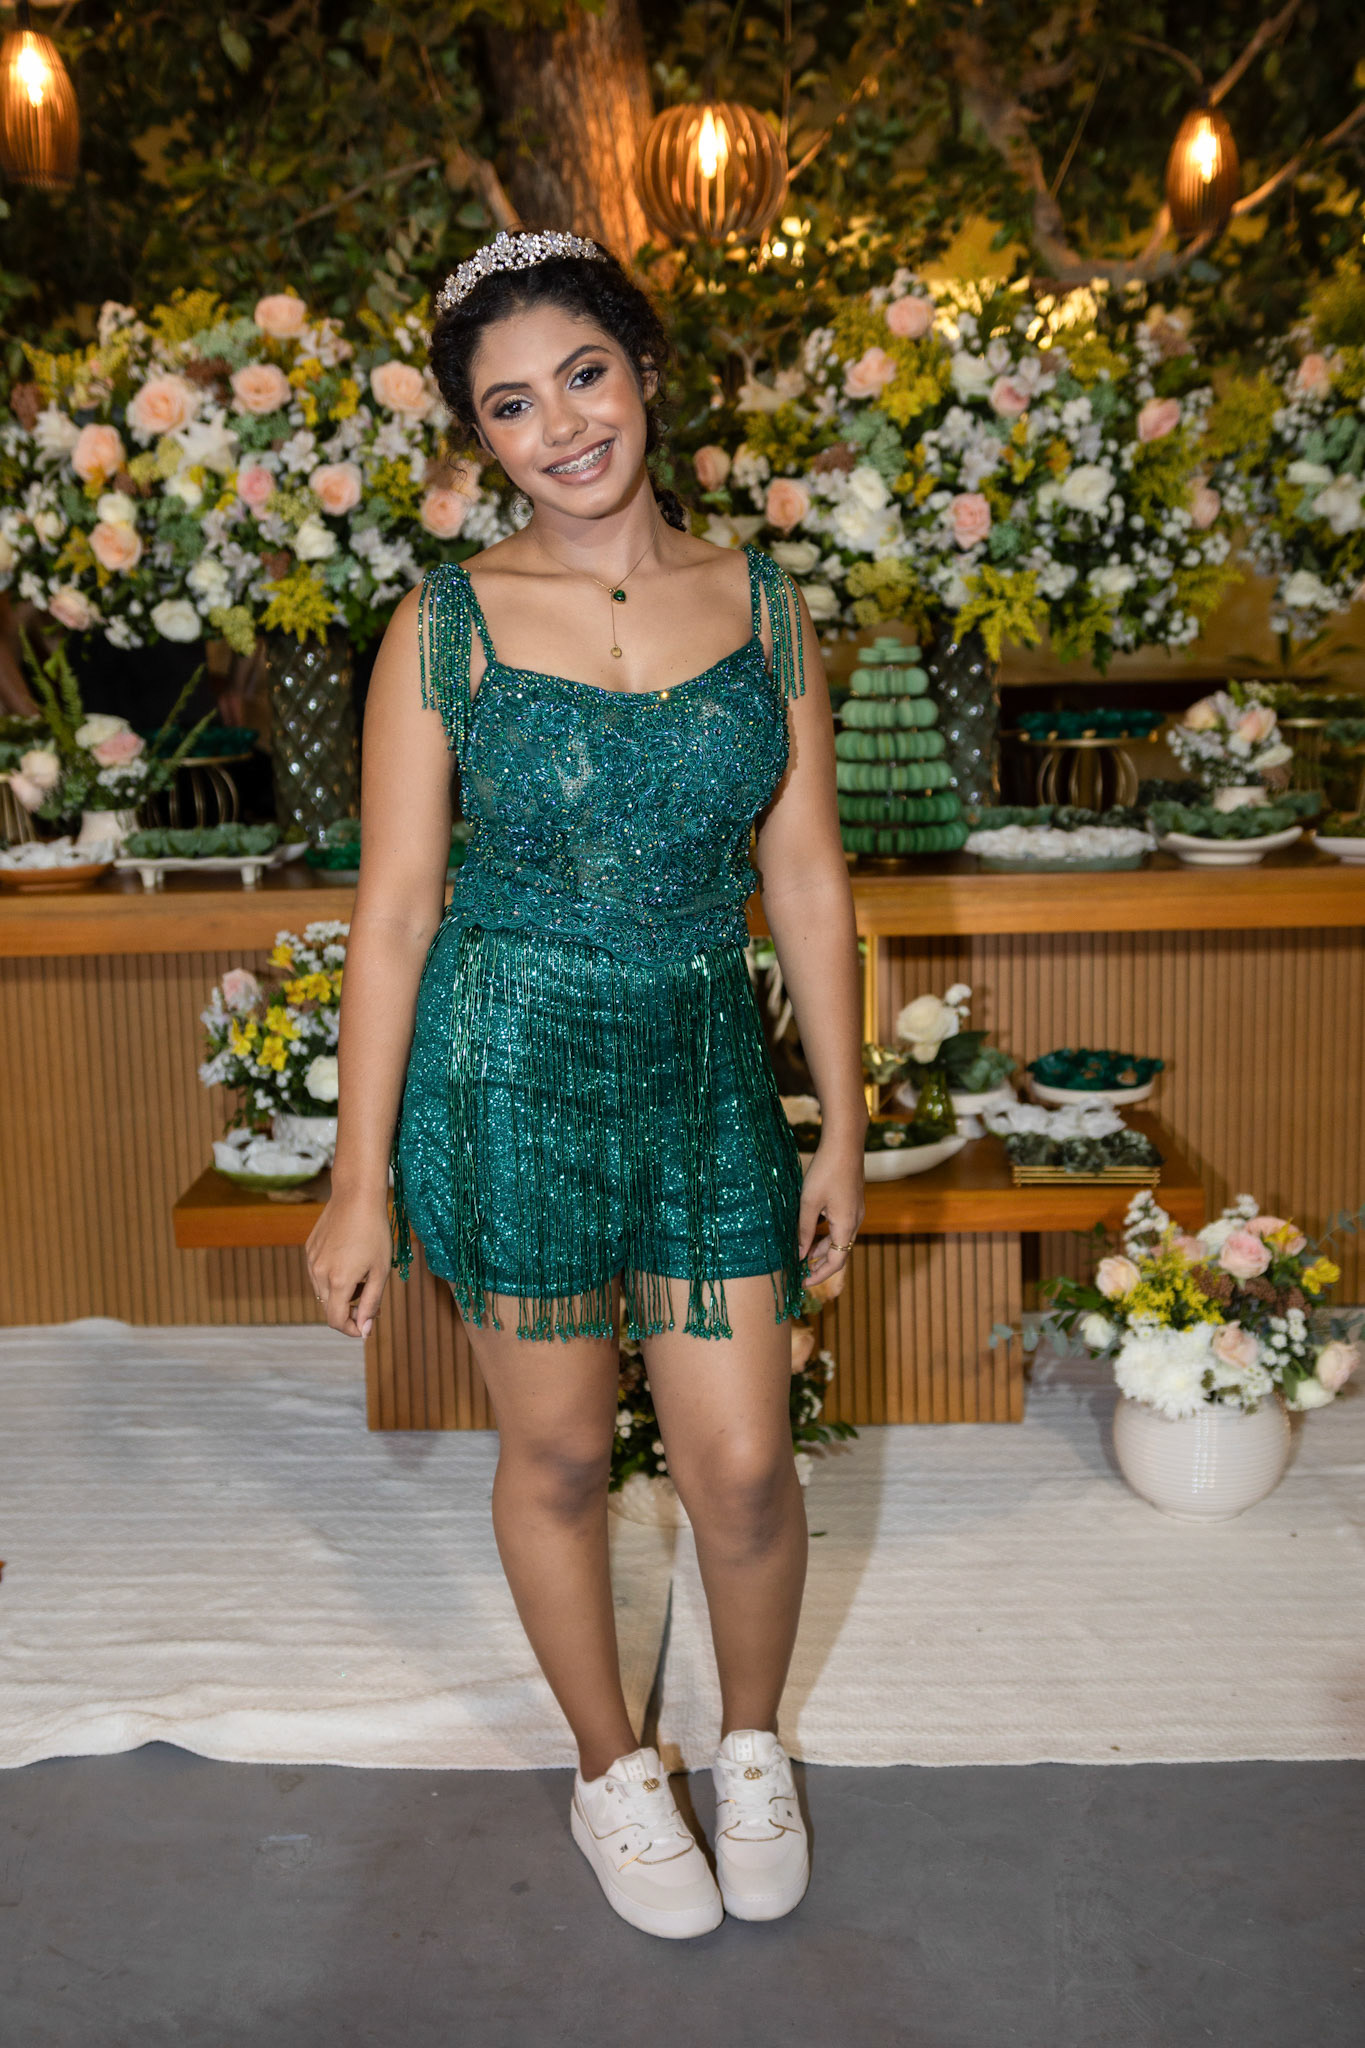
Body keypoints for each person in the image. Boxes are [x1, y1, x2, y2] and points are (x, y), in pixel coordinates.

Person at [305, 228, 866, 1940]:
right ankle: (611, 1767)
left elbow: (808, 877)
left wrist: (843, 1121)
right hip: (504, 1069)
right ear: (478, 437)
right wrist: (354, 1181)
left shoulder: (761, 604)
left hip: (703, 1068)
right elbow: (395, 912)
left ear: (642, 373)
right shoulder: (446, 621)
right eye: (510, 405)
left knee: (744, 1466)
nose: (560, 426)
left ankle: (750, 1745)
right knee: (553, 1457)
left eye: (582, 375)